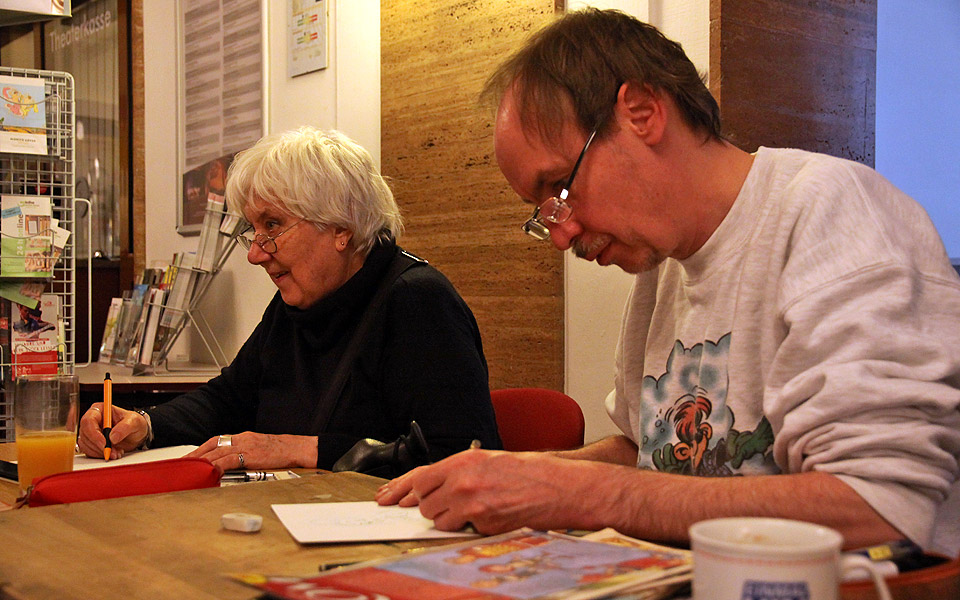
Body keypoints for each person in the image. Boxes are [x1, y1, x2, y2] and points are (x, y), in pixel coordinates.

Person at [377, 8, 960, 554]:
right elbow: (648, 455)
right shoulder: (663, 268)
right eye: (544, 212)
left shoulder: (835, 214)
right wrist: (515, 474)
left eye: (559, 188)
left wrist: (582, 493)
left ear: (642, 112)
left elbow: (881, 506)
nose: (560, 233)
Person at [78, 127, 502, 472]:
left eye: (273, 226)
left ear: (341, 227)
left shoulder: (418, 301)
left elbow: (462, 456)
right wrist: (144, 425)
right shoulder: (295, 303)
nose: (254, 253)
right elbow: (228, 399)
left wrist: (303, 449)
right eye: (253, 229)